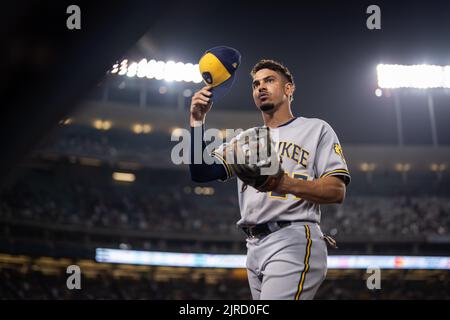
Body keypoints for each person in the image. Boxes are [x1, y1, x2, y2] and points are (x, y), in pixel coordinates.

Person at [189, 59, 350, 300]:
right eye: (256, 84)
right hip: (253, 246)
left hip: (293, 238)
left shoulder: (316, 129)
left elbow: (336, 191)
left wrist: (281, 184)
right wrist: (197, 122)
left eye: (269, 80)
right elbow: (201, 172)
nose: (261, 87)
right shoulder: (245, 140)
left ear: (289, 89)